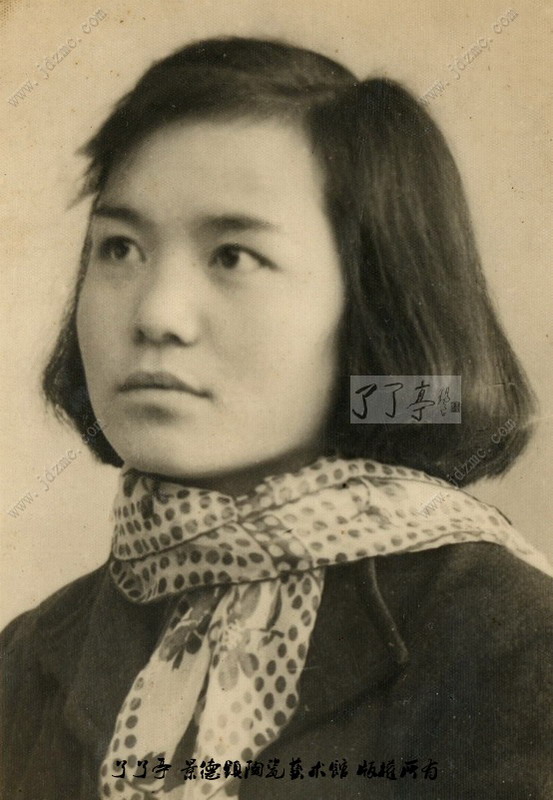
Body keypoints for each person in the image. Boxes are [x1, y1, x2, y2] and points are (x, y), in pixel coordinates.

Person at [1, 36, 552, 800]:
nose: (156, 315)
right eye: (120, 248)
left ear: (371, 301)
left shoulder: (510, 643)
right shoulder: (26, 658)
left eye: (232, 256)